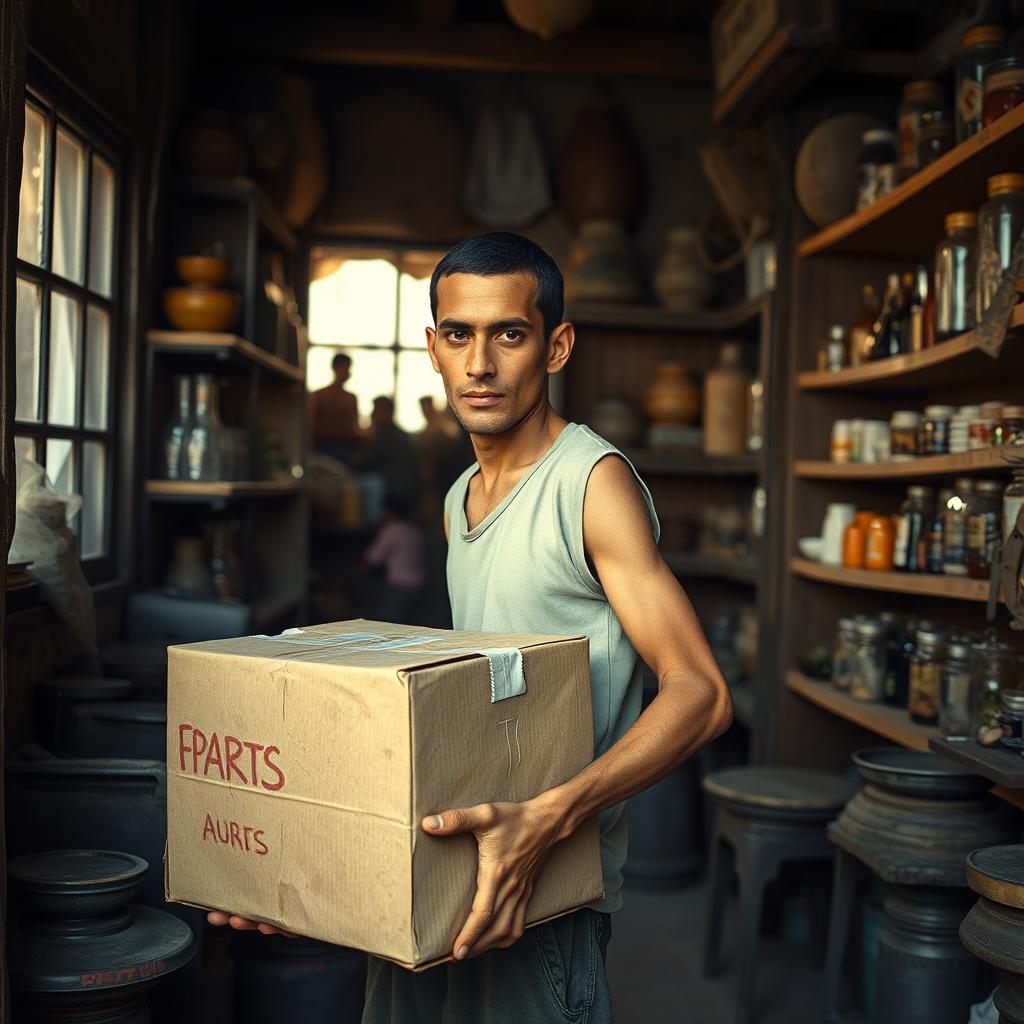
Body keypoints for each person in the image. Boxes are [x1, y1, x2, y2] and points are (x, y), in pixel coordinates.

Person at [209, 232, 732, 1023]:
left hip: (545, 890)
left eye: (509, 334)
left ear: (555, 347)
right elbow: (474, 716)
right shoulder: (460, 502)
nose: (480, 364)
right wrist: (298, 861)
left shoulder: (593, 483)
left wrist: (548, 818)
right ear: (434, 346)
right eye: (459, 335)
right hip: (449, 870)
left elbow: (701, 693)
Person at [358, 494, 426, 623]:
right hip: (418, 586)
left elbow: (372, 560)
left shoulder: (392, 530)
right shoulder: (415, 531)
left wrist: (353, 576)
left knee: (386, 626)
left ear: (389, 512)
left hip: (399, 587)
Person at [357, 395, 420, 511]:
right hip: (407, 496)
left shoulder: (385, 436)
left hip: (393, 499)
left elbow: (364, 463)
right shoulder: (401, 435)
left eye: (375, 410)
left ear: (385, 411)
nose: (372, 415)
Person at [309, 352, 362, 465]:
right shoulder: (319, 395)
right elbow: (312, 427)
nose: (347, 372)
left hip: (345, 450)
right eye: (345, 367)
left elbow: (354, 427)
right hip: (323, 449)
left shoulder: (351, 398)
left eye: (348, 368)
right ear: (335, 368)